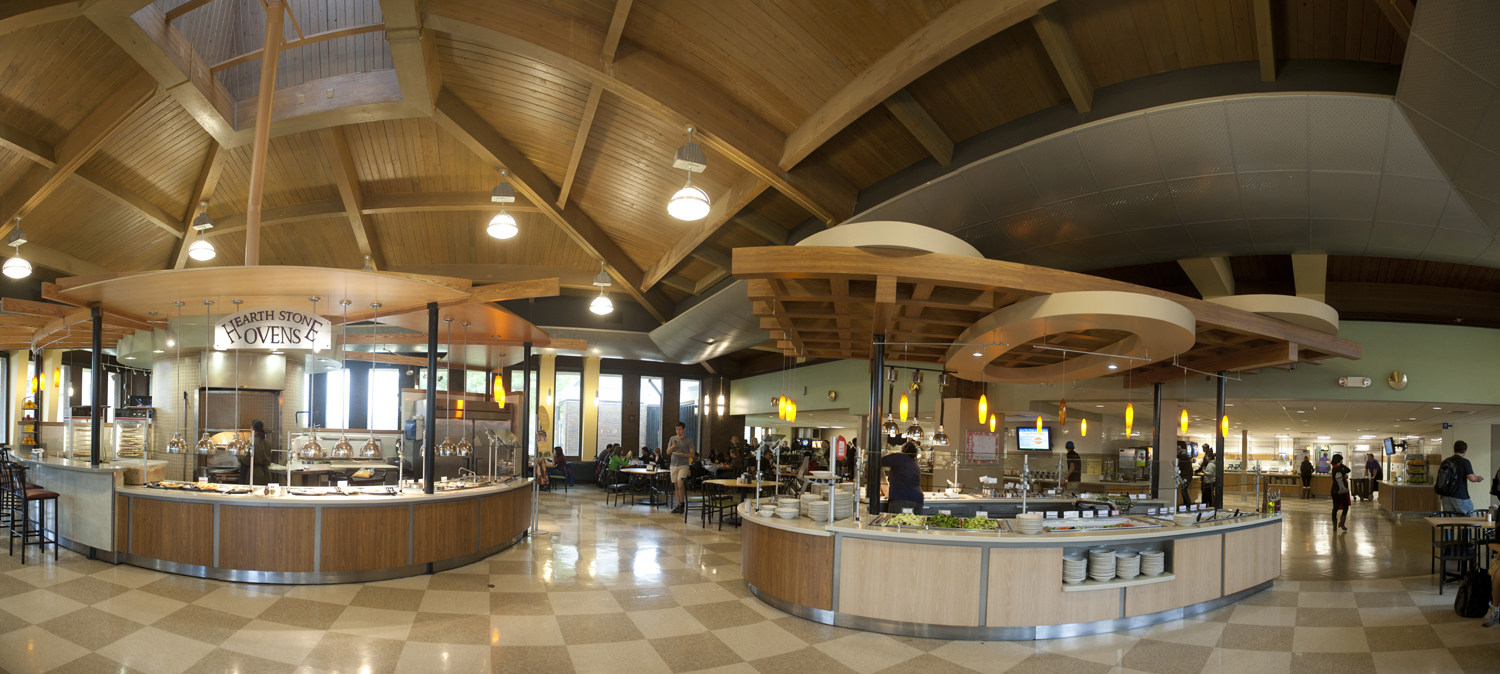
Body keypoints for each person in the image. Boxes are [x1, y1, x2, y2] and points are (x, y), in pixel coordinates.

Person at [1437, 441, 1483, 514]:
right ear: (1464, 451)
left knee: (1450, 521)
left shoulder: (1445, 461)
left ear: (1454, 449)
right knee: (1467, 521)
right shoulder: (1464, 462)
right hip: (1460, 495)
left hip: (1445, 496)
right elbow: (1472, 478)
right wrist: (1478, 478)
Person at [880, 440, 923, 514]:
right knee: (914, 523)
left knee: (898, 523)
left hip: (901, 497)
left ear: (902, 450)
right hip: (918, 498)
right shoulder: (915, 462)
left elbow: (878, 461)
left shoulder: (899, 457)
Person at [666, 422, 696, 513]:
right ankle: (678, 505)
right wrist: (673, 446)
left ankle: (682, 503)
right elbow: (668, 452)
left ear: (684, 429)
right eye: (677, 429)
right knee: (676, 485)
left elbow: (693, 454)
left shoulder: (688, 440)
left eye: (680, 429)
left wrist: (684, 455)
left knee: (680, 484)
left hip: (683, 465)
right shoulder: (672, 438)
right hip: (673, 465)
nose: (678, 431)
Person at [1329, 453, 1351, 532]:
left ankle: (1334, 524)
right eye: (1341, 460)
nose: (1342, 461)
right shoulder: (1339, 468)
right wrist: (1342, 467)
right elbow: (1348, 470)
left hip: (1334, 491)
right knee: (1346, 506)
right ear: (1339, 460)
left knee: (1335, 507)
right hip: (1341, 491)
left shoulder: (1333, 468)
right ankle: (1341, 523)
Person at [247, 419, 272, 485]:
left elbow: (247, 459)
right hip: (266, 473)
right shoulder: (267, 441)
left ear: (252, 428)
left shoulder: (253, 442)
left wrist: (239, 457)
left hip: (256, 474)